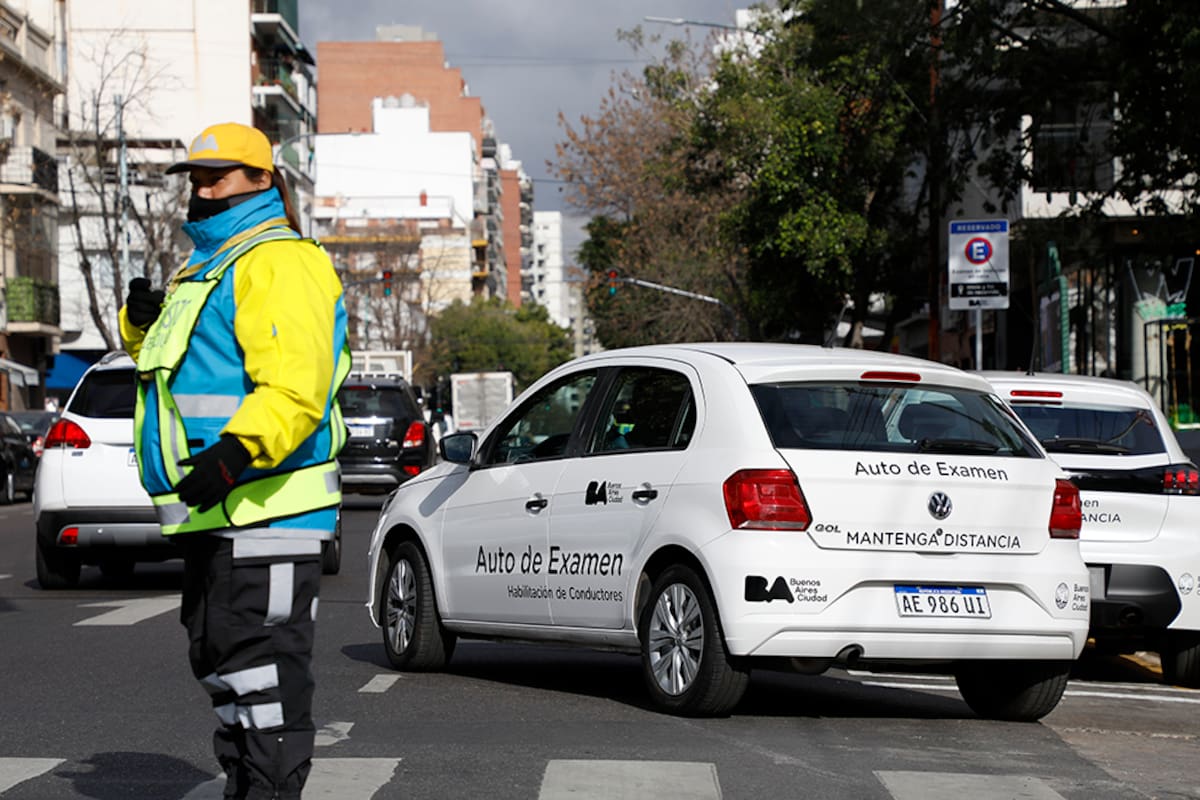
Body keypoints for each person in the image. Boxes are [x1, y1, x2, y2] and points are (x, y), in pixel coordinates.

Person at [120, 122, 349, 800]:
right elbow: (173, 369)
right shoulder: (207, 265)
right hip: (218, 512)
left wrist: (237, 450)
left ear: (261, 180)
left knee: (263, 672)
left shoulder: (277, 260)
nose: (202, 187)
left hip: (269, 507)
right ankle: (250, 787)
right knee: (224, 662)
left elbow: (295, 383)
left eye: (217, 175)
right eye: (195, 176)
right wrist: (139, 321)